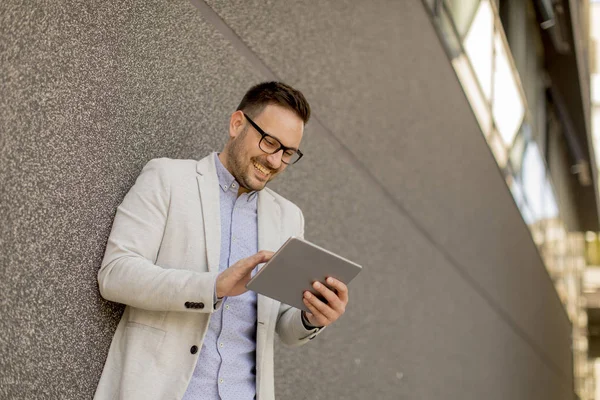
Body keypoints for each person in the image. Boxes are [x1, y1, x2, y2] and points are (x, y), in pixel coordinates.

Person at [94, 82, 350, 400]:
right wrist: (212, 288)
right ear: (237, 124)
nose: (275, 161)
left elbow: (282, 326)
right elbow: (115, 275)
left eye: (287, 153)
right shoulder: (168, 179)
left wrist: (312, 317)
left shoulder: (289, 218)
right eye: (270, 143)